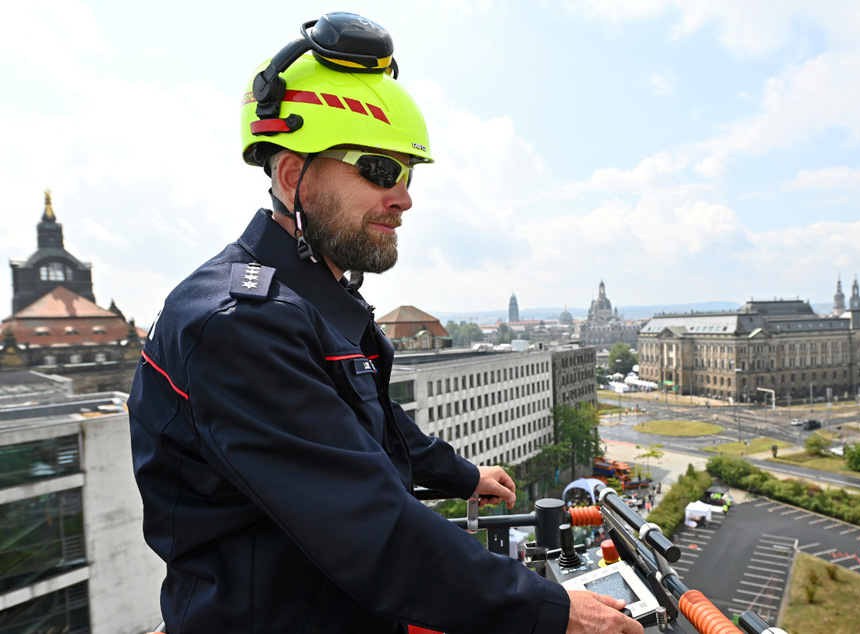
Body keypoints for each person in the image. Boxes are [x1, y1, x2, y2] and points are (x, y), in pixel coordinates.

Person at [128, 12, 643, 634]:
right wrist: (552, 611)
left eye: (407, 173)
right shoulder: (240, 325)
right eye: (378, 170)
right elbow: (366, 526)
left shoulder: (305, 301)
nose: (403, 197)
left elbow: (359, 418)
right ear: (294, 176)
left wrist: (459, 474)